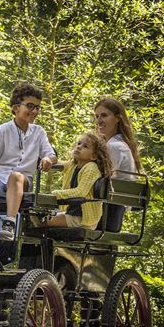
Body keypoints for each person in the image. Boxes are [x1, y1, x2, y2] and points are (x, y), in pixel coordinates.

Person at [0, 83, 56, 240]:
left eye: (37, 107)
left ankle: (10, 223)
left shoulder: (39, 132)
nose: (34, 111)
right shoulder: (3, 130)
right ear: (15, 108)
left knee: (15, 176)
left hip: (21, 179)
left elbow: (50, 154)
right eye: (30, 106)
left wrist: (48, 159)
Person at [41, 133, 112, 230]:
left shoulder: (91, 168)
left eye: (85, 146)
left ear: (94, 156)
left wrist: (54, 194)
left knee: (42, 220)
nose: (79, 147)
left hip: (83, 219)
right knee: (35, 215)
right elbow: (58, 164)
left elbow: (80, 192)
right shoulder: (73, 165)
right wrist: (47, 159)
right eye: (78, 143)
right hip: (71, 214)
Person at [94, 97, 142, 231]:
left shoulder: (114, 146)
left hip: (105, 218)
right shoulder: (120, 144)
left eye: (104, 115)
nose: (99, 121)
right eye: (97, 116)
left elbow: (98, 179)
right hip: (110, 215)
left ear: (117, 118)